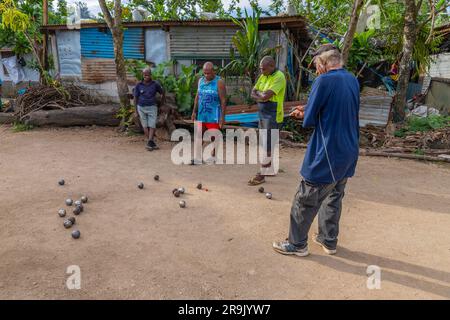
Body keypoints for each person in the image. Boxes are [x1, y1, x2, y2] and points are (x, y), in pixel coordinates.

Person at [273, 45, 360, 257]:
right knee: (334, 196)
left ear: (323, 63)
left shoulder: (324, 80)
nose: (316, 69)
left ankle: (297, 244)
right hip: (349, 150)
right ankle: (328, 240)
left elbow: (310, 119)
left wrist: (301, 113)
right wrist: (308, 107)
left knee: (306, 198)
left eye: (315, 65)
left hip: (328, 151)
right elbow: (333, 107)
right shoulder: (352, 79)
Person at [248, 56, 286, 185]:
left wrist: (260, 95)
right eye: (260, 69)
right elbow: (252, 93)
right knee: (265, 142)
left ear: (271, 66)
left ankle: (262, 174)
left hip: (273, 114)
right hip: (262, 112)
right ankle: (269, 168)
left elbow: (264, 96)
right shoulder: (264, 75)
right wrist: (261, 96)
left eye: (263, 69)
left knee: (268, 144)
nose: (261, 71)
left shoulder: (279, 77)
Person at [191, 62, 227, 163]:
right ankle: (198, 157)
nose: (206, 75)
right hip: (202, 114)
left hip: (213, 115)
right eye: (205, 73)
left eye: (208, 73)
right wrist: (194, 111)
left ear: (213, 72)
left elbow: (223, 100)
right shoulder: (201, 81)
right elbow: (197, 97)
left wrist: (222, 117)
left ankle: (214, 155)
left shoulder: (219, 82)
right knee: (199, 135)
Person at [133, 67, 165, 151]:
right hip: (141, 108)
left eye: (147, 75)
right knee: (145, 125)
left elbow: (162, 92)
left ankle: (149, 142)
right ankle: (150, 142)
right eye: (144, 75)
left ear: (150, 75)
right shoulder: (138, 85)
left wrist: (161, 104)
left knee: (152, 125)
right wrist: (135, 111)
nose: (145, 76)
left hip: (152, 107)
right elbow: (135, 98)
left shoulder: (155, 84)